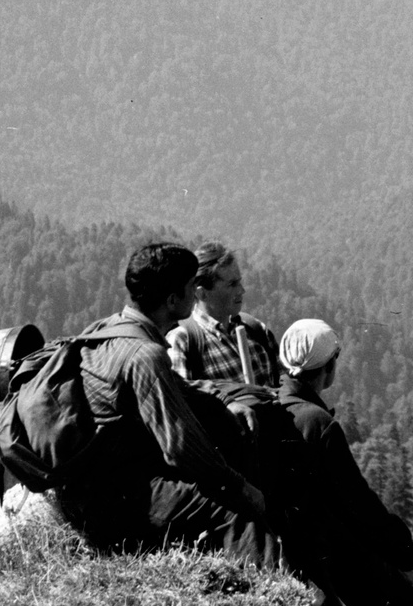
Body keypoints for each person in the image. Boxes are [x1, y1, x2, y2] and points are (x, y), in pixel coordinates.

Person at [55, 240, 281, 564]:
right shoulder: (145, 355)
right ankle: (287, 588)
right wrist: (241, 488)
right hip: (115, 496)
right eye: (191, 287)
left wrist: (222, 399)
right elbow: (180, 447)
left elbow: (175, 386)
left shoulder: (113, 327)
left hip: (92, 485)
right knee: (238, 521)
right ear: (173, 299)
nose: (196, 294)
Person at [271, 318, 413, 606]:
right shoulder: (319, 424)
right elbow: (359, 505)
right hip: (331, 550)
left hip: (287, 549)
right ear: (329, 367)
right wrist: (409, 550)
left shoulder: (271, 406)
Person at [167, 242, 280, 386]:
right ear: (202, 294)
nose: (241, 290)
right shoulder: (183, 343)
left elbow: (285, 386)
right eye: (232, 284)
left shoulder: (256, 330)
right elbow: (183, 397)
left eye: (239, 282)